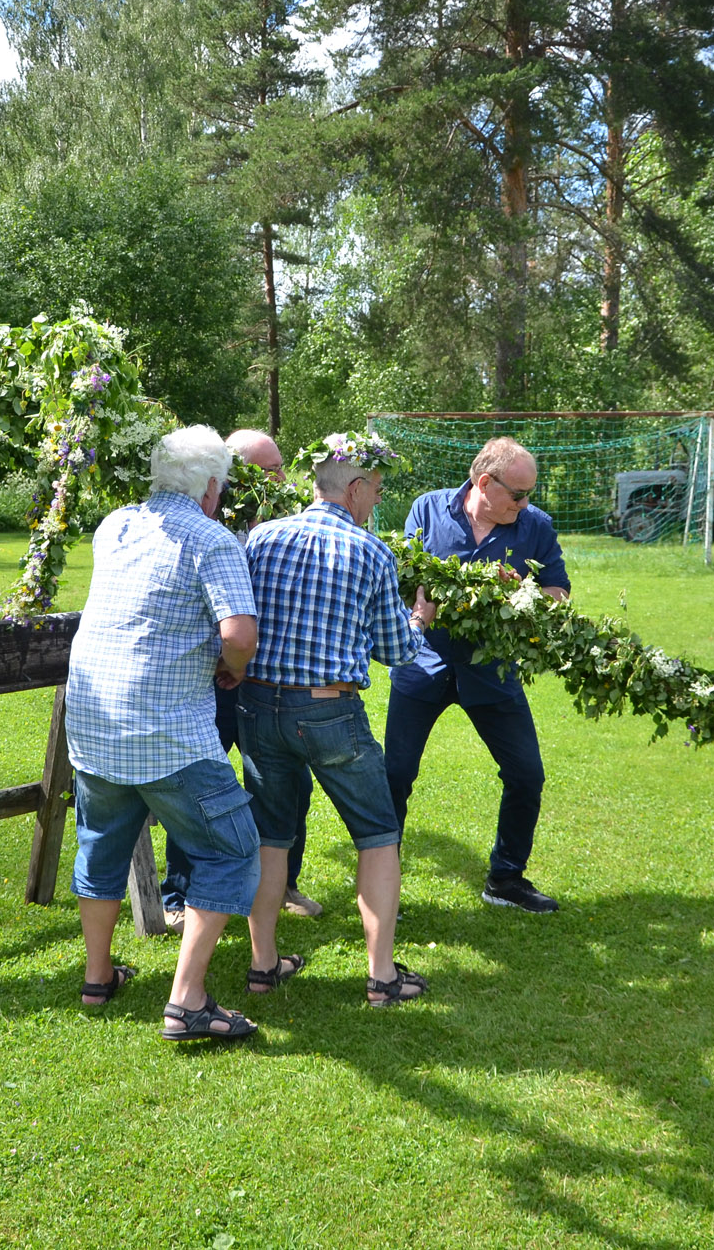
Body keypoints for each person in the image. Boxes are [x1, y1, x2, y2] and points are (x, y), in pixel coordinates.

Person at [63, 425, 265, 1041]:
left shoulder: (114, 525)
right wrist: (231, 670)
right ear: (212, 485)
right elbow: (239, 636)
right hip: (167, 733)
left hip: (95, 722)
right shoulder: (212, 538)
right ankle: (187, 1001)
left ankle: (98, 979)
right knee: (233, 851)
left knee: (101, 844)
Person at [239, 431, 434, 1007]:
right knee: (378, 836)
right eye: (374, 490)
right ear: (352, 489)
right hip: (328, 710)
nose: (376, 501)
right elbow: (398, 651)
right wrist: (419, 617)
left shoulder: (261, 538)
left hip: (258, 706)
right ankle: (381, 977)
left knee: (271, 838)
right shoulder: (371, 552)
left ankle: (263, 965)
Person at [384, 436, 570, 913]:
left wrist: (521, 597)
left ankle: (506, 880)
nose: (525, 503)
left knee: (527, 774)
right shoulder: (427, 509)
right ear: (484, 483)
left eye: (528, 494)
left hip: (492, 671)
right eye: (518, 494)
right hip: (424, 664)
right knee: (395, 777)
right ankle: (384, 883)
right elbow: (405, 577)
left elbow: (558, 593)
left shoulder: (535, 526)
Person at [160, 428, 325, 927]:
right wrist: (229, 663)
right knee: (201, 786)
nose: (280, 478)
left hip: (272, 680)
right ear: (235, 473)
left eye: (280, 467)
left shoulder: (290, 523)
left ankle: (284, 884)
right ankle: (178, 895)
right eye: (268, 469)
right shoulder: (211, 523)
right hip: (218, 678)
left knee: (289, 782)